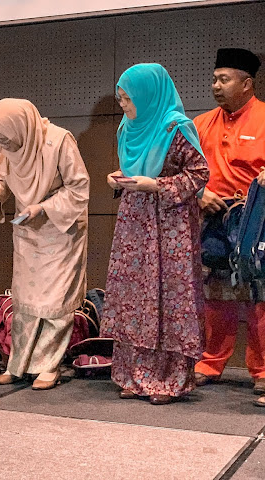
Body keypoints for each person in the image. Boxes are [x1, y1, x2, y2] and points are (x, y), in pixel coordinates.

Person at [101, 63, 209, 405]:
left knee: (167, 298)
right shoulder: (127, 128)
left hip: (170, 227)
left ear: (149, 96)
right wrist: (121, 179)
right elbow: (134, 168)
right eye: (120, 98)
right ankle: (133, 376)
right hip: (134, 224)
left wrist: (157, 185)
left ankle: (167, 381)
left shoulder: (175, 127)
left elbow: (199, 174)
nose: (123, 105)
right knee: (134, 297)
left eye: (127, 98)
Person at [0, 98, 89, 391]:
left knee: (55, 302)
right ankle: (18, 364)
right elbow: (0, 175)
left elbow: (79, 187)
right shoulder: (4, 141)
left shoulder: (59, 141)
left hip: (60, 228)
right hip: (27, 227)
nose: (0, 144)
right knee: (25, 301)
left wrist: (44, 207)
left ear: (21, 128)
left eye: (4, 138)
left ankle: (48, 365)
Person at [191, 48, 265, 407]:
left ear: (247, 83)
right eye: (214, 78)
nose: (215, 86)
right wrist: (200, 191)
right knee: (215, 296)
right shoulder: (201, 123)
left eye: (224, 79)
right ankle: (209, 363)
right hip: (212, 220)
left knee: (258, 297)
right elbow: (183, 168)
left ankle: (263, 370)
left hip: (256, 223)